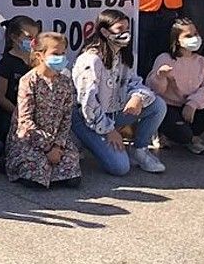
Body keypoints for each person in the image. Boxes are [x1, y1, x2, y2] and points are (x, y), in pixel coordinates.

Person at [71, 9, 169, 176]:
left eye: (127, 29)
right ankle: (84, 141)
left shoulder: (124, 55)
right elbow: (87, 103)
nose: (125, 34)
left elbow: (135, 82)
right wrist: (110, 131)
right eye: (119, 29)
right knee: (120, 167)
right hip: (85, 119)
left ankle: (140, 150)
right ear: (104, 31)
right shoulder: (91, 59)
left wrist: (137, 97)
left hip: (113, 113)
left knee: (158, 105)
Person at [6, 33, 82, 189]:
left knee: (72, 174)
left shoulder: (65, 82)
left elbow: (66, 118)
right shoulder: (29, 81)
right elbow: (25, 121)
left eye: (63, 53)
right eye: (55, 54)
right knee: (36, 173)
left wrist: (57, 146)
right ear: (40, 55)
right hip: (30, 139)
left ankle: (52, 169)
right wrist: (46, 147)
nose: (60, 58)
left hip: (55, 140)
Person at [145, 18, 204, 156]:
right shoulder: (165, 58)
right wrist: (160, 76)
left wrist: (193, 103)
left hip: (190, 106)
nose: (195, 38)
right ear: (177, 40)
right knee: (181, 133)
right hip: (169, 107)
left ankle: (189, 134)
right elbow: (155, 90)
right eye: (188, 36)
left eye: (195, 34)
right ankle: (172, 133)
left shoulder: (202, 62)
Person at [0, 16, 39, 149]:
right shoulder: (7, 63)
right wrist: (20, 114)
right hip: (10, 114)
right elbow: (0, 97)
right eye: (29, 37)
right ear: (14, 37)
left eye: (36, 37)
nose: (33, 41)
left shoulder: (37, 61)